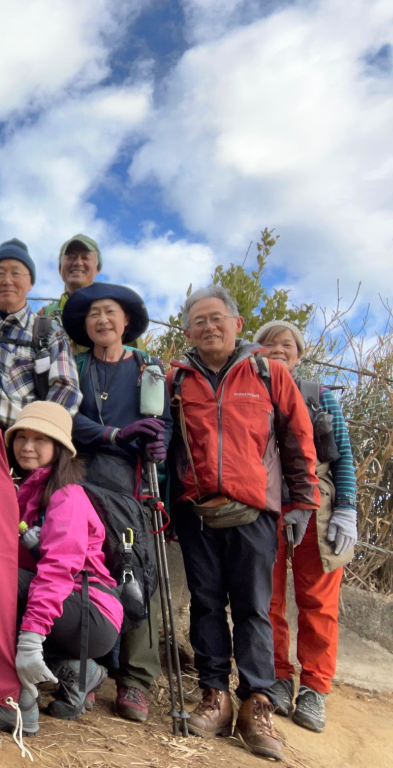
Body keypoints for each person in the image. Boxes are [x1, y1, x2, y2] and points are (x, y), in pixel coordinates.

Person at [168, 286, 319, 762]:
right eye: (199, 321)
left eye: (217, 318)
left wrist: (301, 502)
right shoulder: (176, 379)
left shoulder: (268, 373)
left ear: (236, 324)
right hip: (198, 512)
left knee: (254, 607)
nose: (209, 327)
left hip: (255, 511)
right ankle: (214, 695)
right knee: (206, 603)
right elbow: (168, 447)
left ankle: (257, 703)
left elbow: (298, 439)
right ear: (188, 330)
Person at [0, 401, 122, 735]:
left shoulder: (67, 497)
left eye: (40, 439)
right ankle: (77, 672)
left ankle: (15, 704)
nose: (27, 446)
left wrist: (30, 638)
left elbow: (58, 569)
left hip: (91, 613)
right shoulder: (28, 492)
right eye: (21, 437)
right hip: (73, 612)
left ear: (59, 448)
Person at [61, 283, 172, 723]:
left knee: (137, 574)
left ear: (127, 321)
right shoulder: (76, 365)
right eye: (93, 315)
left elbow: (164, 423)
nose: (102, 321)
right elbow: (65, 414)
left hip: (131, 487)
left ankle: (135, 681)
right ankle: (84, 664)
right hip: (80, 477)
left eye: (110, 313)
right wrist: (112, 435)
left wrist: (159, 442)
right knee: (79, 567)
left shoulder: (149, 368)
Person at [255, 321, 358, 734]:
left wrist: (348, 507)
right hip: (264, 504)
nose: (278, 349)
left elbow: (345, 456)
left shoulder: (321, 397)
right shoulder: (251, 391)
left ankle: (315, 687)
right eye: (269, 344)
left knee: (318, 600)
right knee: (268, 598)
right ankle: (279, 677)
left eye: (287, 345)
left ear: (299, 355)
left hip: (319, 504)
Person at [0, 239, 81, 431]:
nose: (7, 281)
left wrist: (37, 433)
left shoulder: (49, 331)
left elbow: (67, 390)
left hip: (19, 443)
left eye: (16, 273)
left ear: (30, 282)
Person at [38, 234, 101, 324]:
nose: (78, 262)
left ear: (97, 269)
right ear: (60, 268)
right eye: (71, 257)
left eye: (85, 257)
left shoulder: (115, 315)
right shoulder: (42, 316)